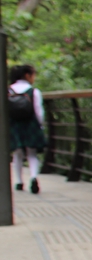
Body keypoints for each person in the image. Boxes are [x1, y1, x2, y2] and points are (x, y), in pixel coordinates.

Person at [8, 64, 46, 194]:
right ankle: (34, 177)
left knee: (17, 154)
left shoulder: (8, 91)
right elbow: (38, 111)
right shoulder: (34, 91)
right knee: (32, 153)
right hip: (30, 124)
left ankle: (19, 182)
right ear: (27, 75)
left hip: (13, 125)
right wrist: (40, 125)